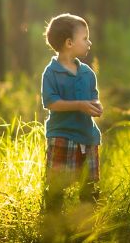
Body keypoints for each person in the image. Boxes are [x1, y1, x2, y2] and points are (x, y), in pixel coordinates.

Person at [41, 13, 103, 210]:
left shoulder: (87, 73)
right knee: (56, 188)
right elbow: (51, 102)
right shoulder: (51, 73)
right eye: (85, 38)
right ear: (69, 43)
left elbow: (93, 97)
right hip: (62, 137)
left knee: (90, 187)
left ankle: (88, 226)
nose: (89, 42)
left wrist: (95, 105)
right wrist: (79, 105)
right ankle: (52, 225)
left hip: (87, 137)